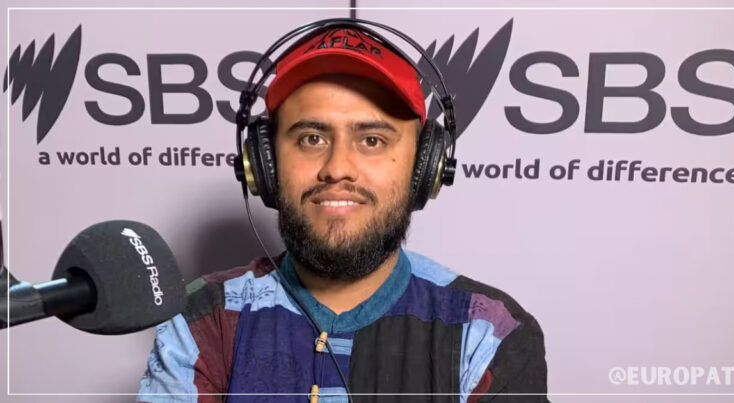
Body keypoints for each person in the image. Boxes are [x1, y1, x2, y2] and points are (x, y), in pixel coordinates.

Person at [138, 23, 548, 403]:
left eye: (372, 140)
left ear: (425, 168)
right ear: (263, 165)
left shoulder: (488, 333)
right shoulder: (202, 317)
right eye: (311, 138)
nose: (337, 168)